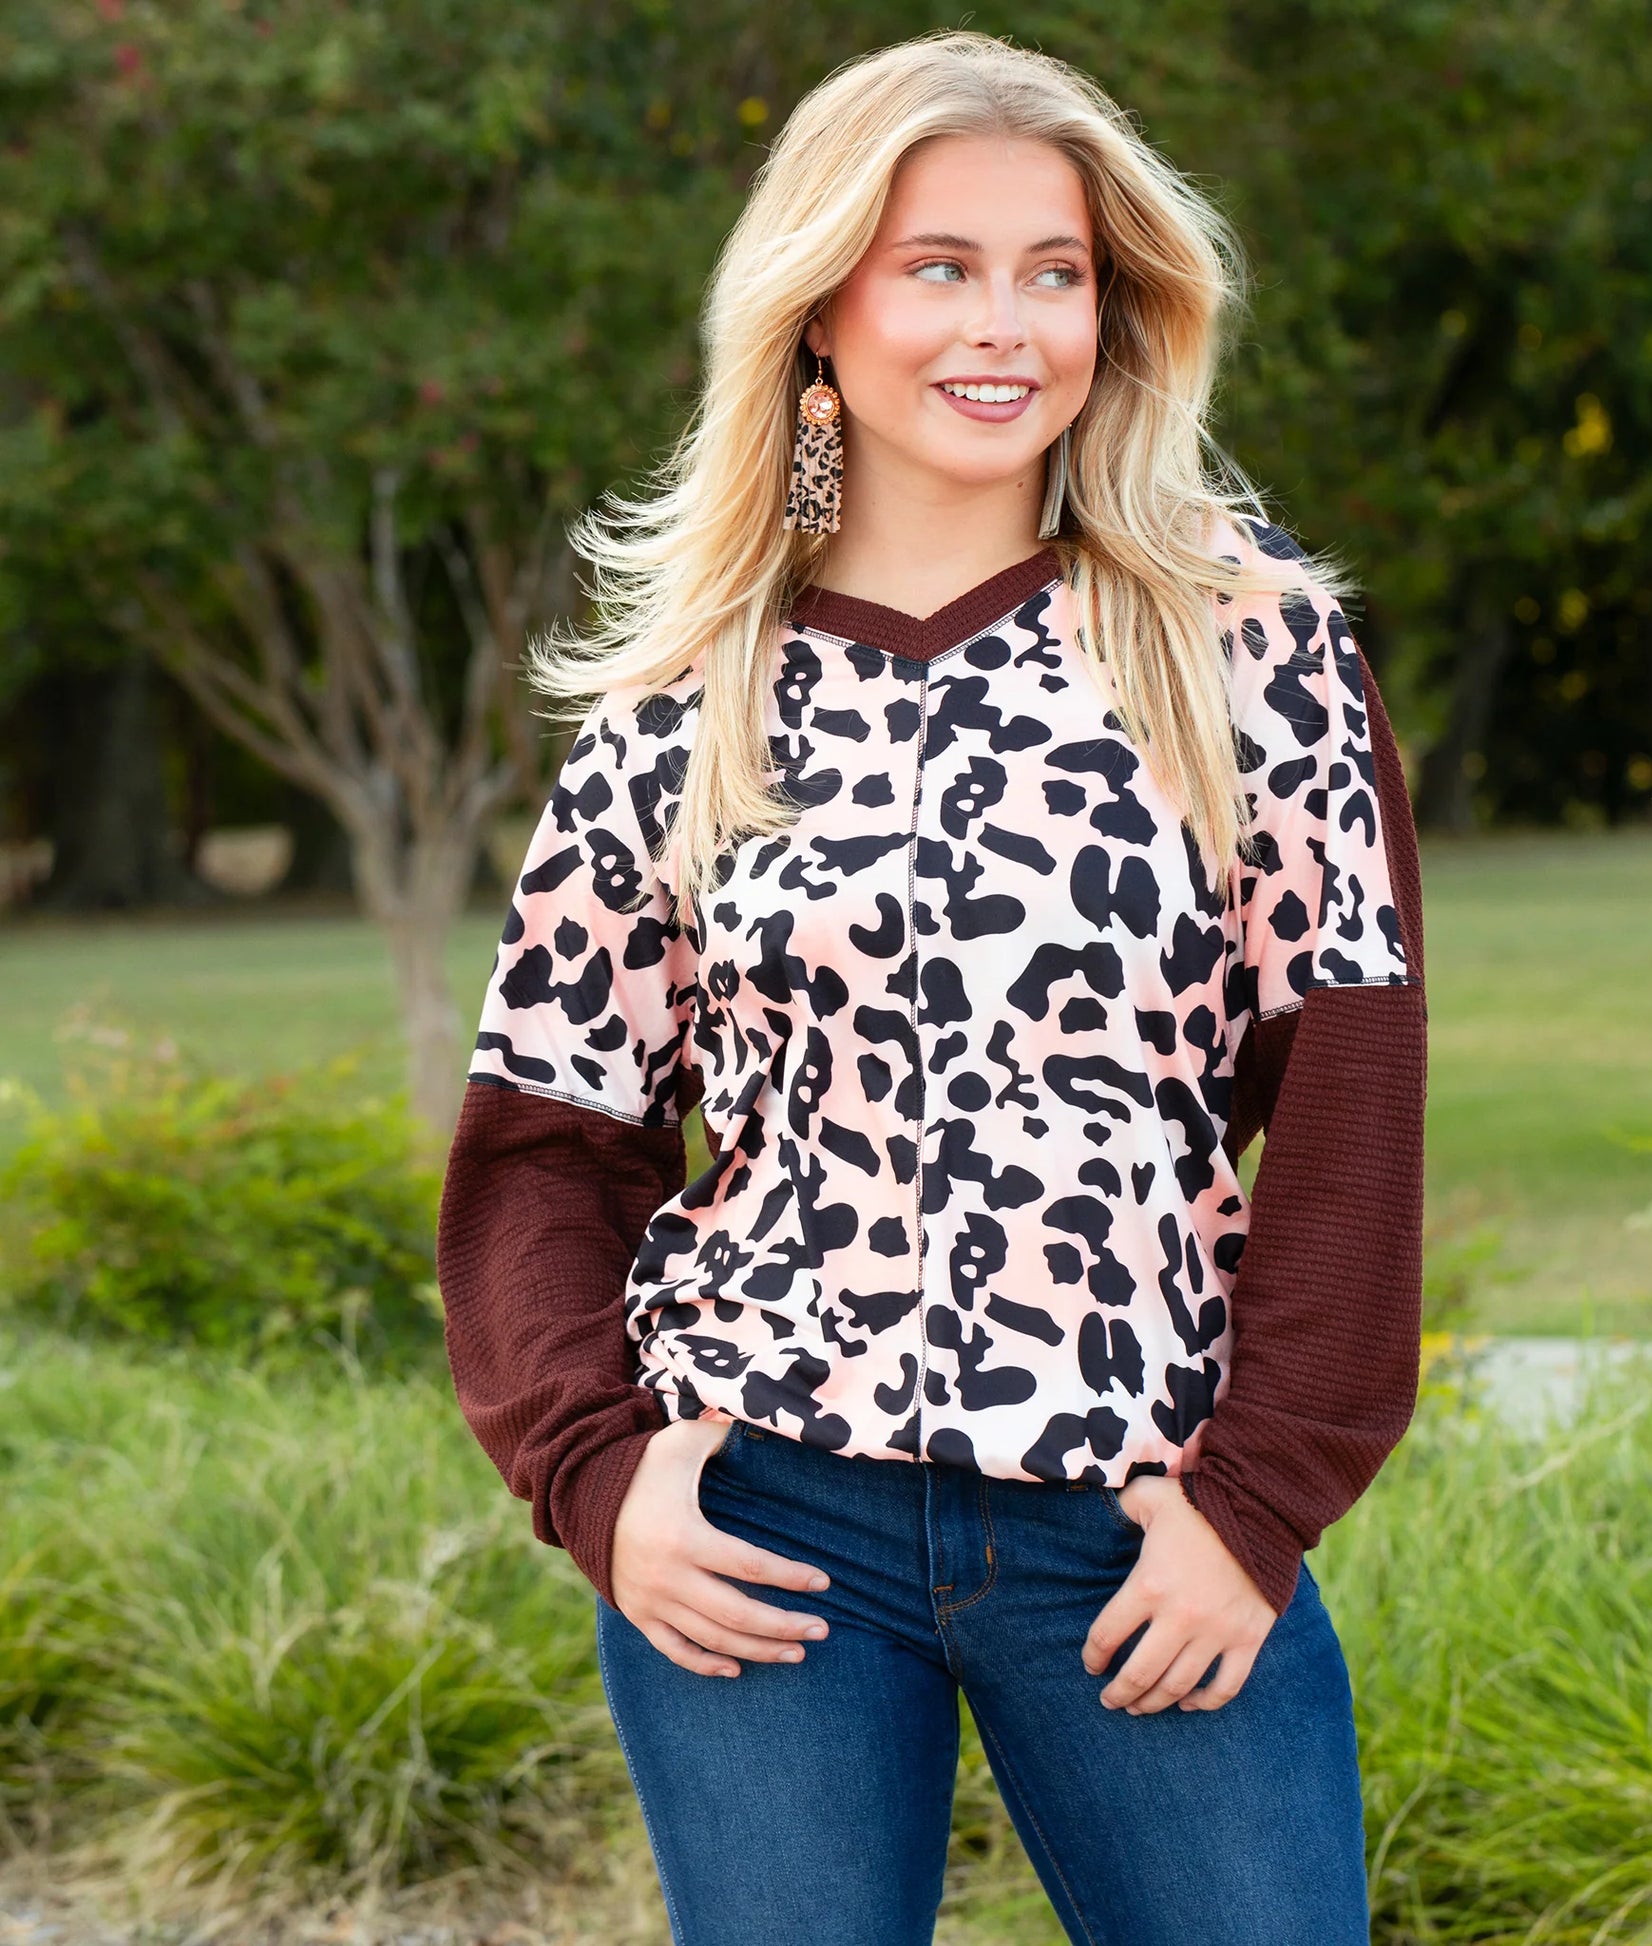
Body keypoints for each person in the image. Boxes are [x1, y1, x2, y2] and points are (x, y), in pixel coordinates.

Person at [436, 30, 1427, 1946]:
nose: (1006, 324)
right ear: (822, 310)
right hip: (762, 1522)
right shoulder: (683, 695)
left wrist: (1256, 1505)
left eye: (1055, 272)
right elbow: (548, 1137)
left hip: (1136, 1519)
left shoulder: (1250, 647)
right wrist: (599, 1475)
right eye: (940, 267)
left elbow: (1348, 1108)